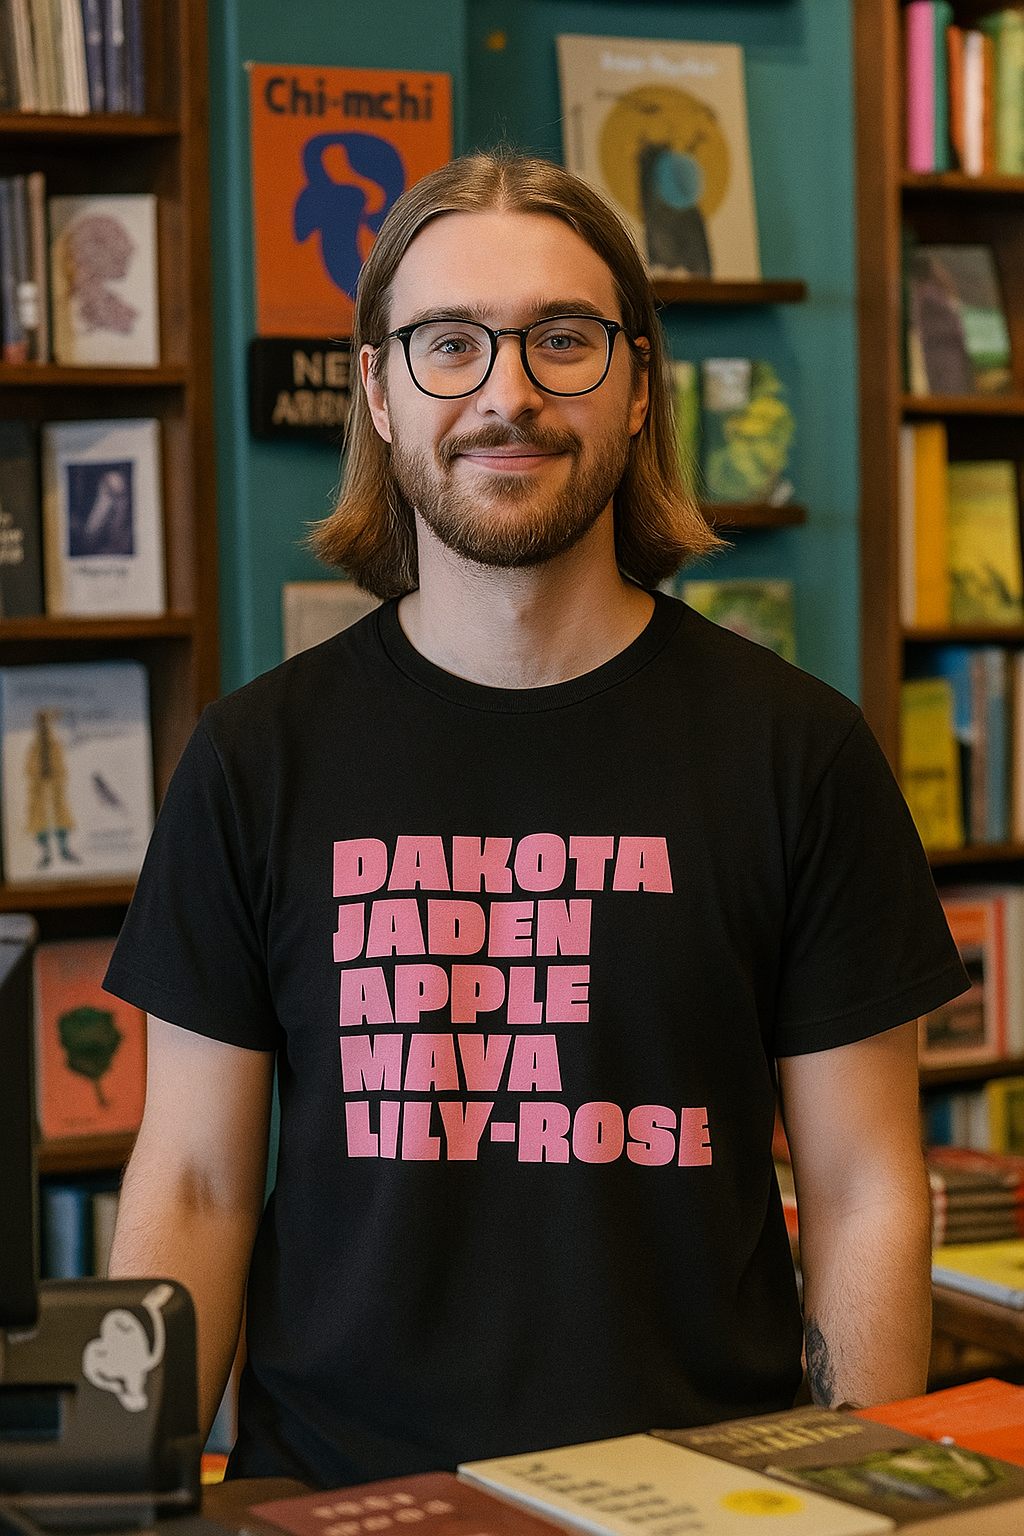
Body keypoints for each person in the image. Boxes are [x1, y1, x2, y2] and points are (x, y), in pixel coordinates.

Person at [106, 151, 967, 1488]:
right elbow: (197, 1188)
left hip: (705, 1496)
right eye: (449, 344)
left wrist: (846, 1494)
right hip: (345, 1503)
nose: (507, 394)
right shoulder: (254, 758)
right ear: (382, 394)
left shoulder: (799, 751)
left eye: (561, 340)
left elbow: (864, 1188)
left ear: (635, 387)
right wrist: (137, 1496)